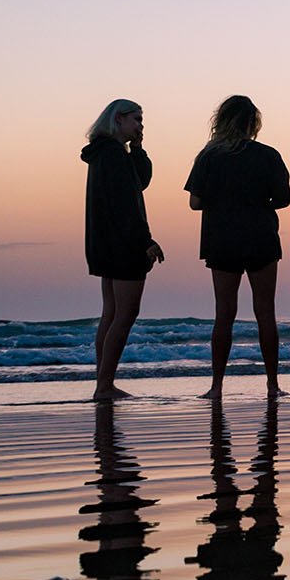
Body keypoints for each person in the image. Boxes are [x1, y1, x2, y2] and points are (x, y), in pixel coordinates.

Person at [184, 95, 290, 398]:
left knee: (224, 314)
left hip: (222, 240)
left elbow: (195, 202)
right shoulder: (268, 155)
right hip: (261, 237)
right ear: (252, 123)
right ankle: (272, 384)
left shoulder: (208, 157)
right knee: (265, 312)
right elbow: (284, 198)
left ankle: (216, 386)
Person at [82, 99, 162, 401]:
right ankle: (104, 385)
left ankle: (103, 382)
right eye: (137, 119)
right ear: (119, 119)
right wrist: (146, 240)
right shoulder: (113, 155)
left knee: (111, 313)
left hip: (105, 243)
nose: (141, 125)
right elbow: (126, 204)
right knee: (125, 313)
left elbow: (140, 182)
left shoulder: (108, 154)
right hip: (123, 243)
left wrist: (138, 148)